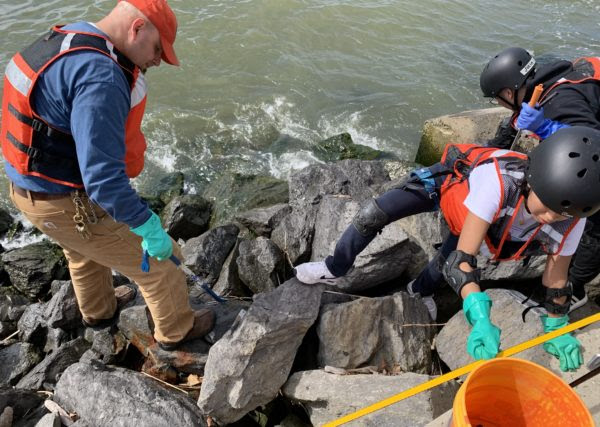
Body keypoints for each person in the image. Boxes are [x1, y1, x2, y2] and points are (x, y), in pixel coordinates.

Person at [0, 0, 214, 351]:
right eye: (159, 49)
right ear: (137, 28)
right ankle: (176, 333)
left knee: (81, 249)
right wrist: (148, 227)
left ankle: (98, 313)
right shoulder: (102, 76)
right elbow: (103, 181)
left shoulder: (69, 37)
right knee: (164, 263)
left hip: (26, 189)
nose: (158, 60)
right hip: (62, 200)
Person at [295, 126, 600, 371]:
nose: (549, 218)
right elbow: (463, 263)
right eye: (547, 207)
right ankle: (334, 268)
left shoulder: (571, 217)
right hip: (451, 187)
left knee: (442, 262)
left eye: (562, 214)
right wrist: (480, 317)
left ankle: (420, 291)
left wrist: (557, 325)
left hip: (478, 224)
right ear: (533, 181)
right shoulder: (499, 183)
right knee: (372, 215)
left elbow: (557, 278)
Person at [480, 47, 600, 311]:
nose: (499, 103)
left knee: (594, 221)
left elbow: (593, 147)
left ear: (509, 92)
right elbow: (511, 129)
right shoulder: (542, 83)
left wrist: (547, 128)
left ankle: (574, 288)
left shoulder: (559, 102)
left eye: (497, 98)